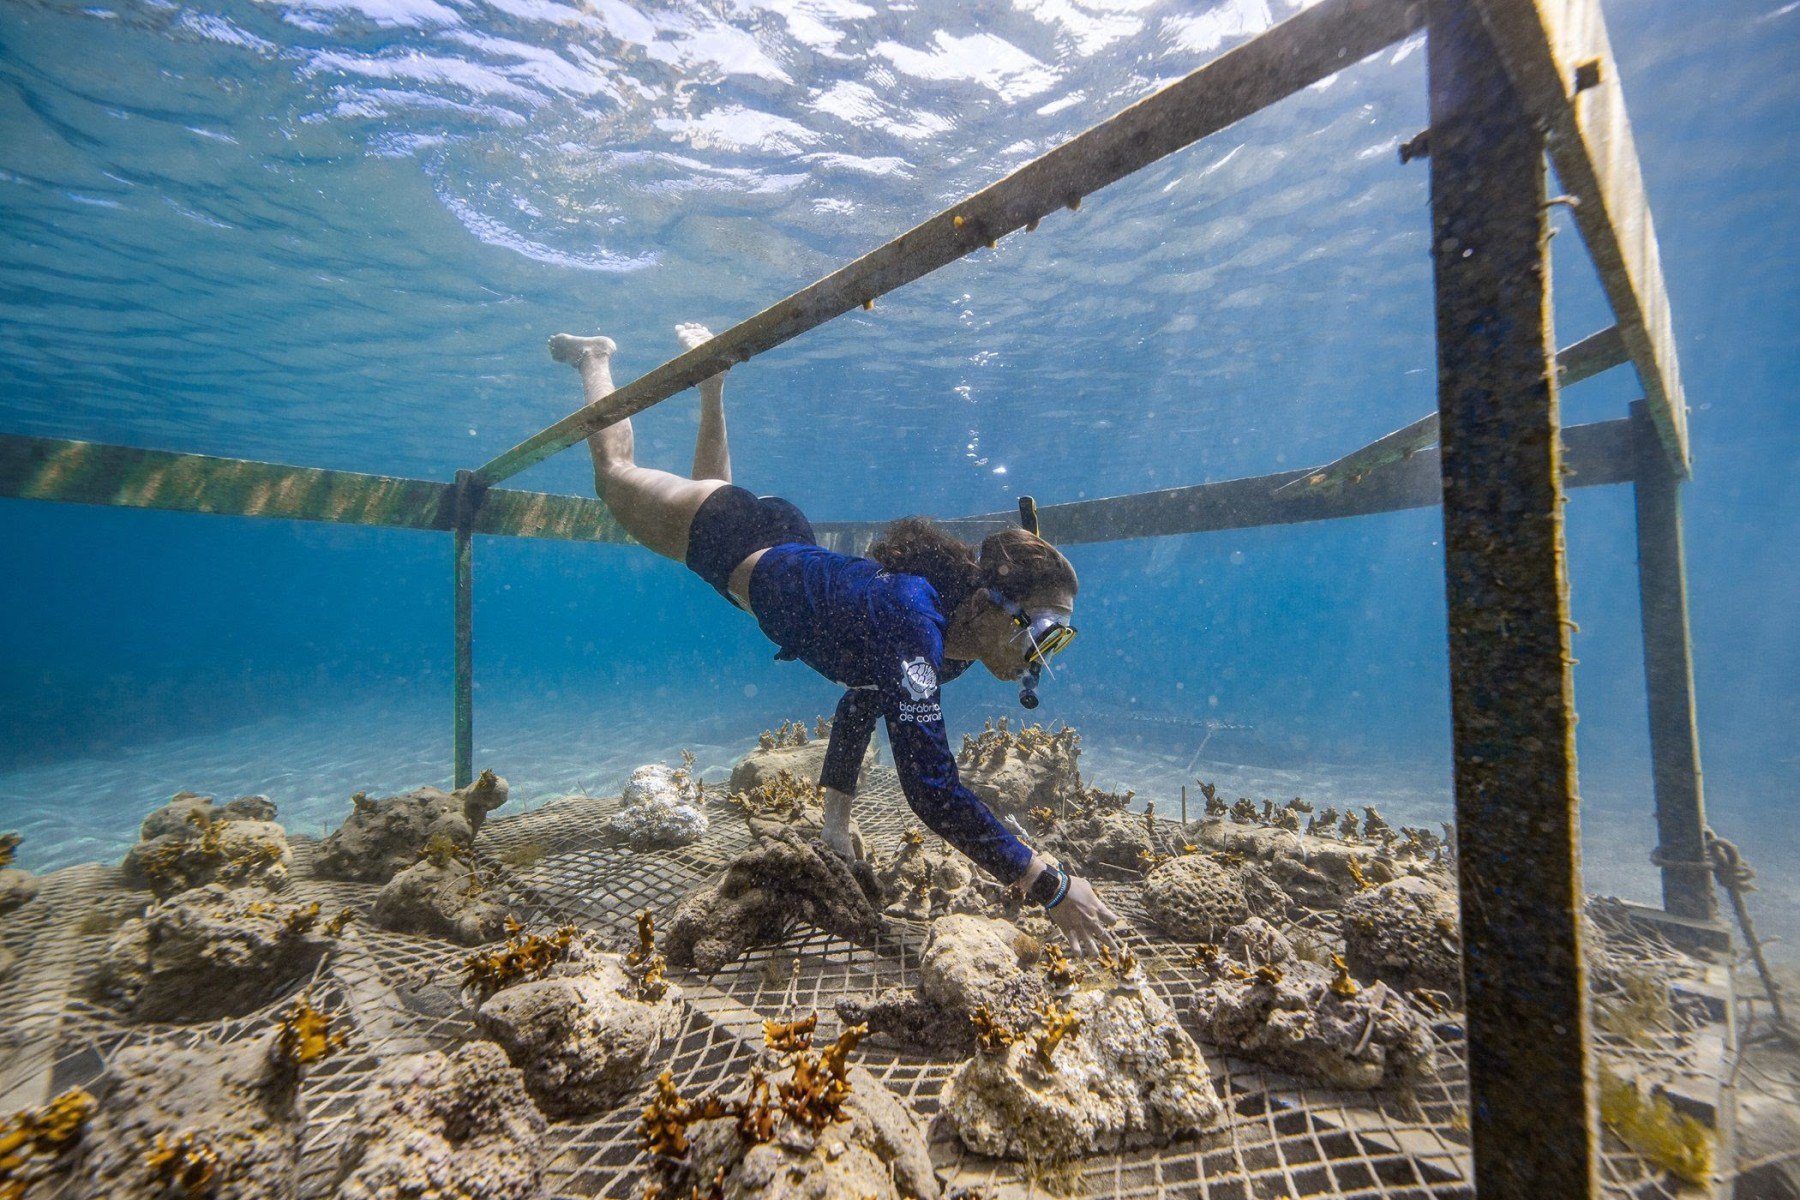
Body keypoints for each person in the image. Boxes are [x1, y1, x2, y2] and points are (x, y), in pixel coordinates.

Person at [548, 324, 1121, 956]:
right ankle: (596, 358)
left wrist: (835, 829)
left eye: (1057, 643)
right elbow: (932, 790)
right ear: (990, 603)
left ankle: (711, 385)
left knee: (708, 489)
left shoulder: (952, 644)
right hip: (732, 536)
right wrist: (1048, 885)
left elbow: (863, 698)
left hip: (774, 536)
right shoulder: (916, 620)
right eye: (1040, 634)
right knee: (614, 474)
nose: (1040, 657)